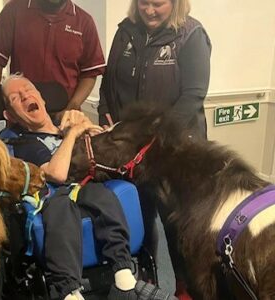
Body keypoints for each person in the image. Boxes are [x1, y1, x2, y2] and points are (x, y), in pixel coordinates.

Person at [2, 74, 177, 300]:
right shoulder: (24, 142)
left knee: (102, 195)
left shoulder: (66, 122)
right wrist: (73, 133)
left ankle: (123, 274)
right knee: (61, 209)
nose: (26, 95)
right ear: (9, 115)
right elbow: (56, 174)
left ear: (42, 99)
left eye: (28, 89)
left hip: (85, 187)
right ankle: (68, 291)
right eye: (16, 97)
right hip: (53, 196)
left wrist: (98, 134)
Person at [98, 0, 211, 298]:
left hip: (175, 151)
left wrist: (155, 135)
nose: (150, 10)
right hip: (135, 153)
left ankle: (186, 291)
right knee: (140, 217)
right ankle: (149, 283)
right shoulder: (125, 31)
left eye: (158, 3)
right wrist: (106, 114)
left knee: (178, 226)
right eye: (144, 2)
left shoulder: (191, 34)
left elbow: (194, 95)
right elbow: (108, 83)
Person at [0, 0, 106, 131]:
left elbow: (89, 73)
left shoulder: (84, 21)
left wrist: (71, 107)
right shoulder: (14, 10)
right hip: (23, 119)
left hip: (63, 119)